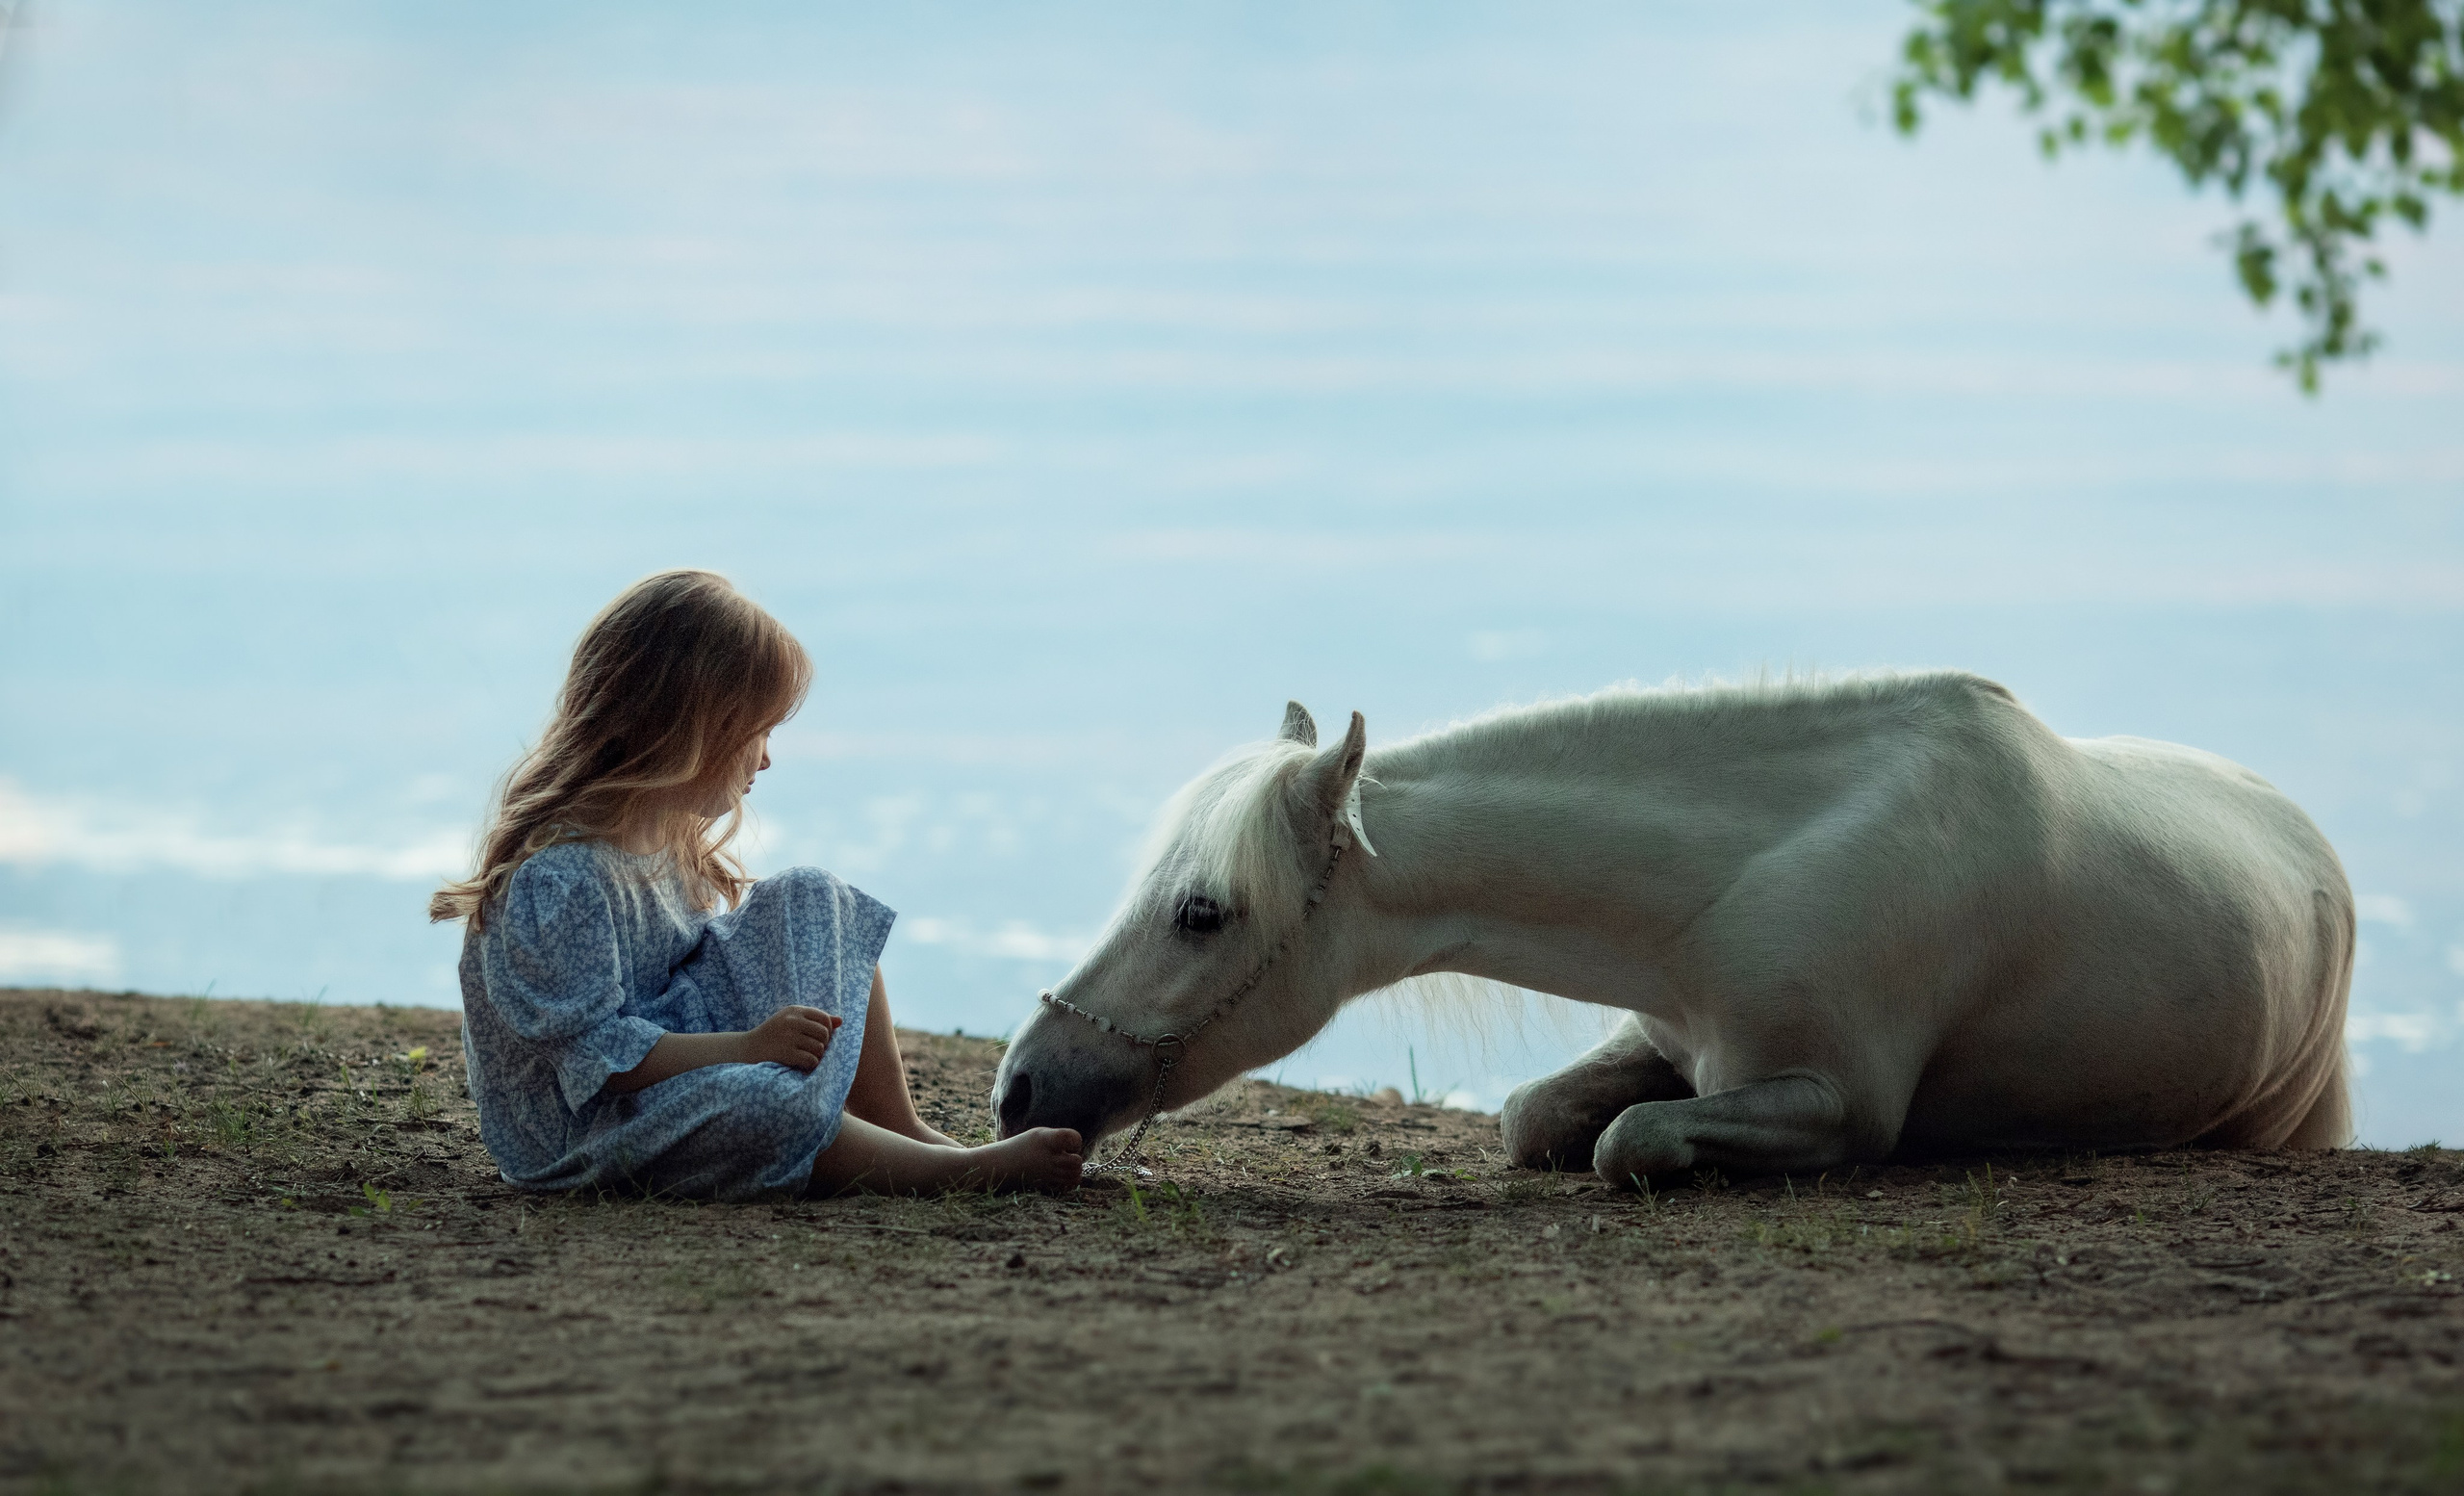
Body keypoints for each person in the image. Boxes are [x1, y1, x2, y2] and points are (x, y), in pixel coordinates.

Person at [427, 569, 1083, 1199]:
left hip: (677, 1056)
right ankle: (946, 1176)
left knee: (818, 898)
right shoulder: (561, 881)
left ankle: (901, 1132)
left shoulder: (661, 838)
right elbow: (602, 1060)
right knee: (767, 1104)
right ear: (688, 730)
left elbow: (693, 967)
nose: (766, 757)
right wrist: (746, 1048)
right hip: (593, 1128)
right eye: (756, 732)